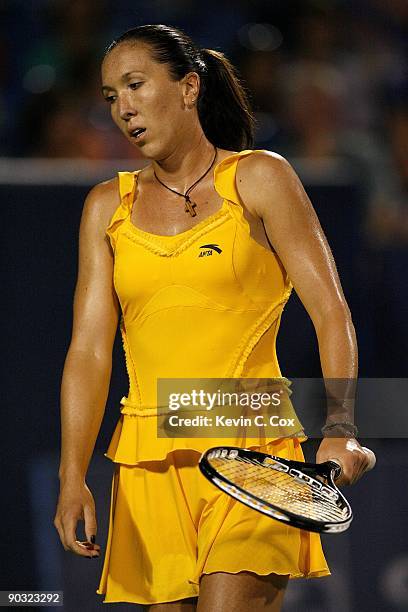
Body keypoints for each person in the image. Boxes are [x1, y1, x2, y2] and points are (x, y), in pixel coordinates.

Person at [54, 24, 371, 611]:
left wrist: (341, 428)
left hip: (253, 453)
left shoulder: (260, 177)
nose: (123, 109)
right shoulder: (105, 205)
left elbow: (330, 312)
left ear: (188, 87)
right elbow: (89, 352)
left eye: (135, 86)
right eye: (109, 97)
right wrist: (72, 477)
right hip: (148, 462)